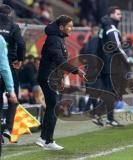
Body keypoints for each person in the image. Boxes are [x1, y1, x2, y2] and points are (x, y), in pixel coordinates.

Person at [36, 15, 84, 150]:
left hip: (52, 77)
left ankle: (45, 139)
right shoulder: (54, 40)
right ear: (61, 27)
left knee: (53, 106)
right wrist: (76, 71)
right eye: (69, 26)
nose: (71, 29)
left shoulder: (58, 39)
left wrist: (61, 78)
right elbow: (59, 60)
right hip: (48, 77)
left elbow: (57, 63)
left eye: (72, 26)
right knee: (54, 106)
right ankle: (46, 140)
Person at [91, 6, 129, 127]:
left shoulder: (104, 27)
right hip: (111, 63)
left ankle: (108, 118)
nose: (120, 16)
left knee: (110, 90)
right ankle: (100, 114)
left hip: (104, 63)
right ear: (111, 15)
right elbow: (115, 46)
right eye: (118, 14)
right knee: (112, 91)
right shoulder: (111, 27)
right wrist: (125, 58)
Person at [0, 4, 26, 140]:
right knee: (13, 98)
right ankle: (8, 129)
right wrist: (20, 59)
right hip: (9, 65)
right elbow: (21, 43)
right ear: (9, 14)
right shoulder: (13, 25)